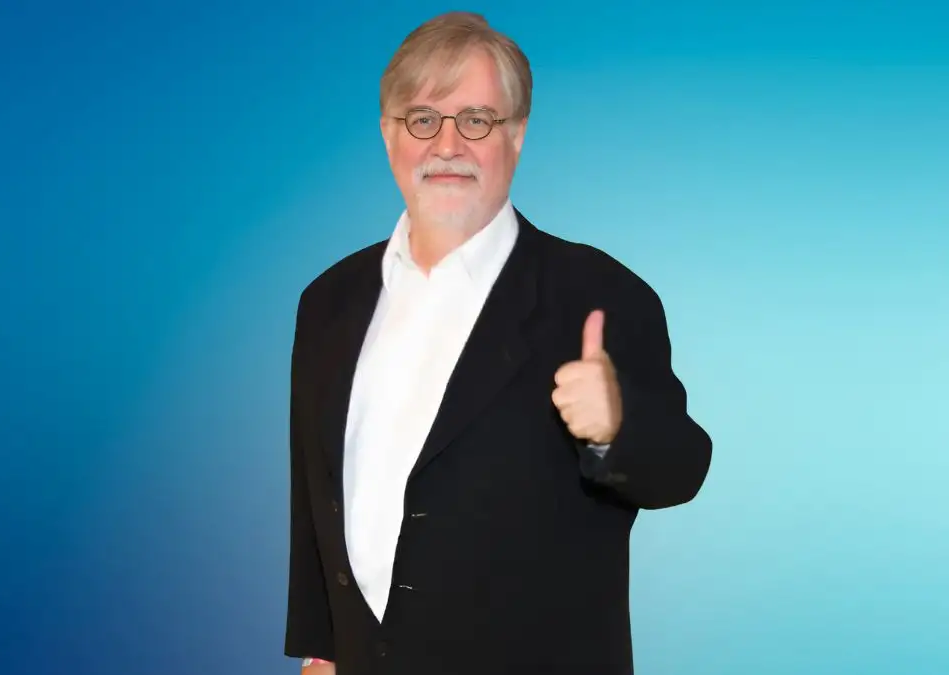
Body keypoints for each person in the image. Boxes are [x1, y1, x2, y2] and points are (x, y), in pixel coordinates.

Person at [285, 11, 713, 675]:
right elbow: (318, 492)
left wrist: (616, 425)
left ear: (516, 135)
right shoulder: (328, 301)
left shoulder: (599, 293)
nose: (447, 143)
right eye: (422, 119)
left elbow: (682, 468)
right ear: (388, 134)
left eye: (477, 120)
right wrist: (323, 647)